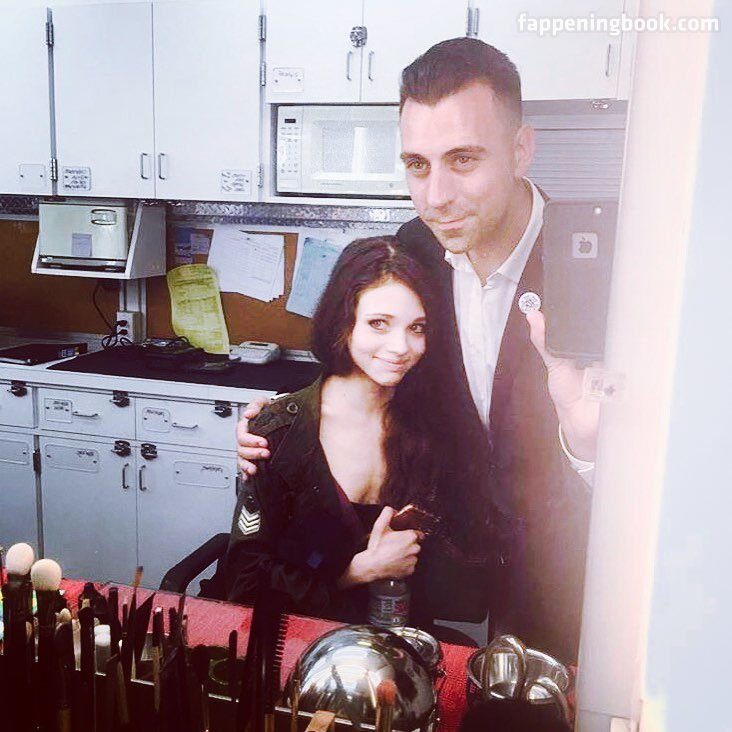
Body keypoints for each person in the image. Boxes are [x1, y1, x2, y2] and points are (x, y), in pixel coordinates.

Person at [238, 39, 599, 661]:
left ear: (521, 150)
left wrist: (588, 447)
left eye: (463, 159)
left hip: (565, 567)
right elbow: (371, 370)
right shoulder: (417, 249)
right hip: (442, 566)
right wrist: (276, 427)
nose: (436, 196)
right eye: (417, 164)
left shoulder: (595, 263)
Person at [224, 236, 496, 627]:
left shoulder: (437, 429)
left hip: (399, 639)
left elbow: (469, 563)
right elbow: (245, 582)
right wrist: (360, 570)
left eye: (417, 327)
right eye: (378, 323)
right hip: (299, 639)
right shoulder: (279, 431)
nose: (400, 347)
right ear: (342, 323)